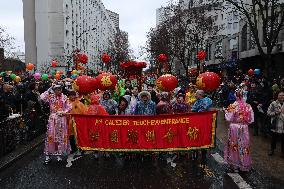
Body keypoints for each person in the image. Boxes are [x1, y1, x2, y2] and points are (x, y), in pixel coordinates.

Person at [40, 83, 71, 164]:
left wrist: (64, 112)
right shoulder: (51, 96)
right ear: (54, 90)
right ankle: (48, 155)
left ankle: (59, 154)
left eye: (59, 89)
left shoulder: (64, 97)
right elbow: (42, 97)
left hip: (62, 119)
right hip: (53, 120)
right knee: (51, 136)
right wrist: (49, 89)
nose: (58, 91)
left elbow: (69, 107)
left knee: (60, 136)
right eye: (56, 89)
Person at [224, 89, 254, 172]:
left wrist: (226, 111)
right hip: (244, 127)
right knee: (244, 145)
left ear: (236, 95)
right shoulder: (248, 106)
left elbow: (228, 118)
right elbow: (251, 120)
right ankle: (244, 164)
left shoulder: (233, 105)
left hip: (234, 127)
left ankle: (235, 165)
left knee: (234, 145)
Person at [191, 90, 212, 163]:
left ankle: (203, 155)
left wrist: (195, 110)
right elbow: (193, 109)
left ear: (200, 95)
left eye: (196, 94)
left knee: (203, 138)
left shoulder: (207, 100)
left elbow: (202, 109)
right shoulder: (197, 102)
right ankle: (195, 153)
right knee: (195, 137)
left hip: (204, 122)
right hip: (196, 123)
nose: (195, 96)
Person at [267, 91, 284, 157]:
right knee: (274, 138)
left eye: (283, 95)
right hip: (275, 124)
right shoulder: (273, 103)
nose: (282, 96)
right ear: (277, 96)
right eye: (280, 95)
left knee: (283, 139)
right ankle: (272, 150)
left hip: (283, 124)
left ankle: (282, 152)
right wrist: (276, 113)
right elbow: (268, 113)